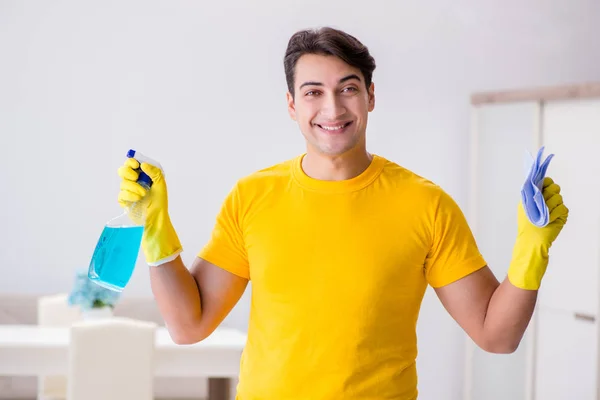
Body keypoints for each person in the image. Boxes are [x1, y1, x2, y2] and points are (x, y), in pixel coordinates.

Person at [117, 26, 569, 400]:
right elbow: (188, 325)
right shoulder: (252, 197)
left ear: (371, 96)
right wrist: (156, 229)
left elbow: (497, 335)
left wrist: (532, 248)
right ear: (292, 105)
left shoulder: (425, 204)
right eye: (313, 92)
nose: (332, 108)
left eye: (348, 88)